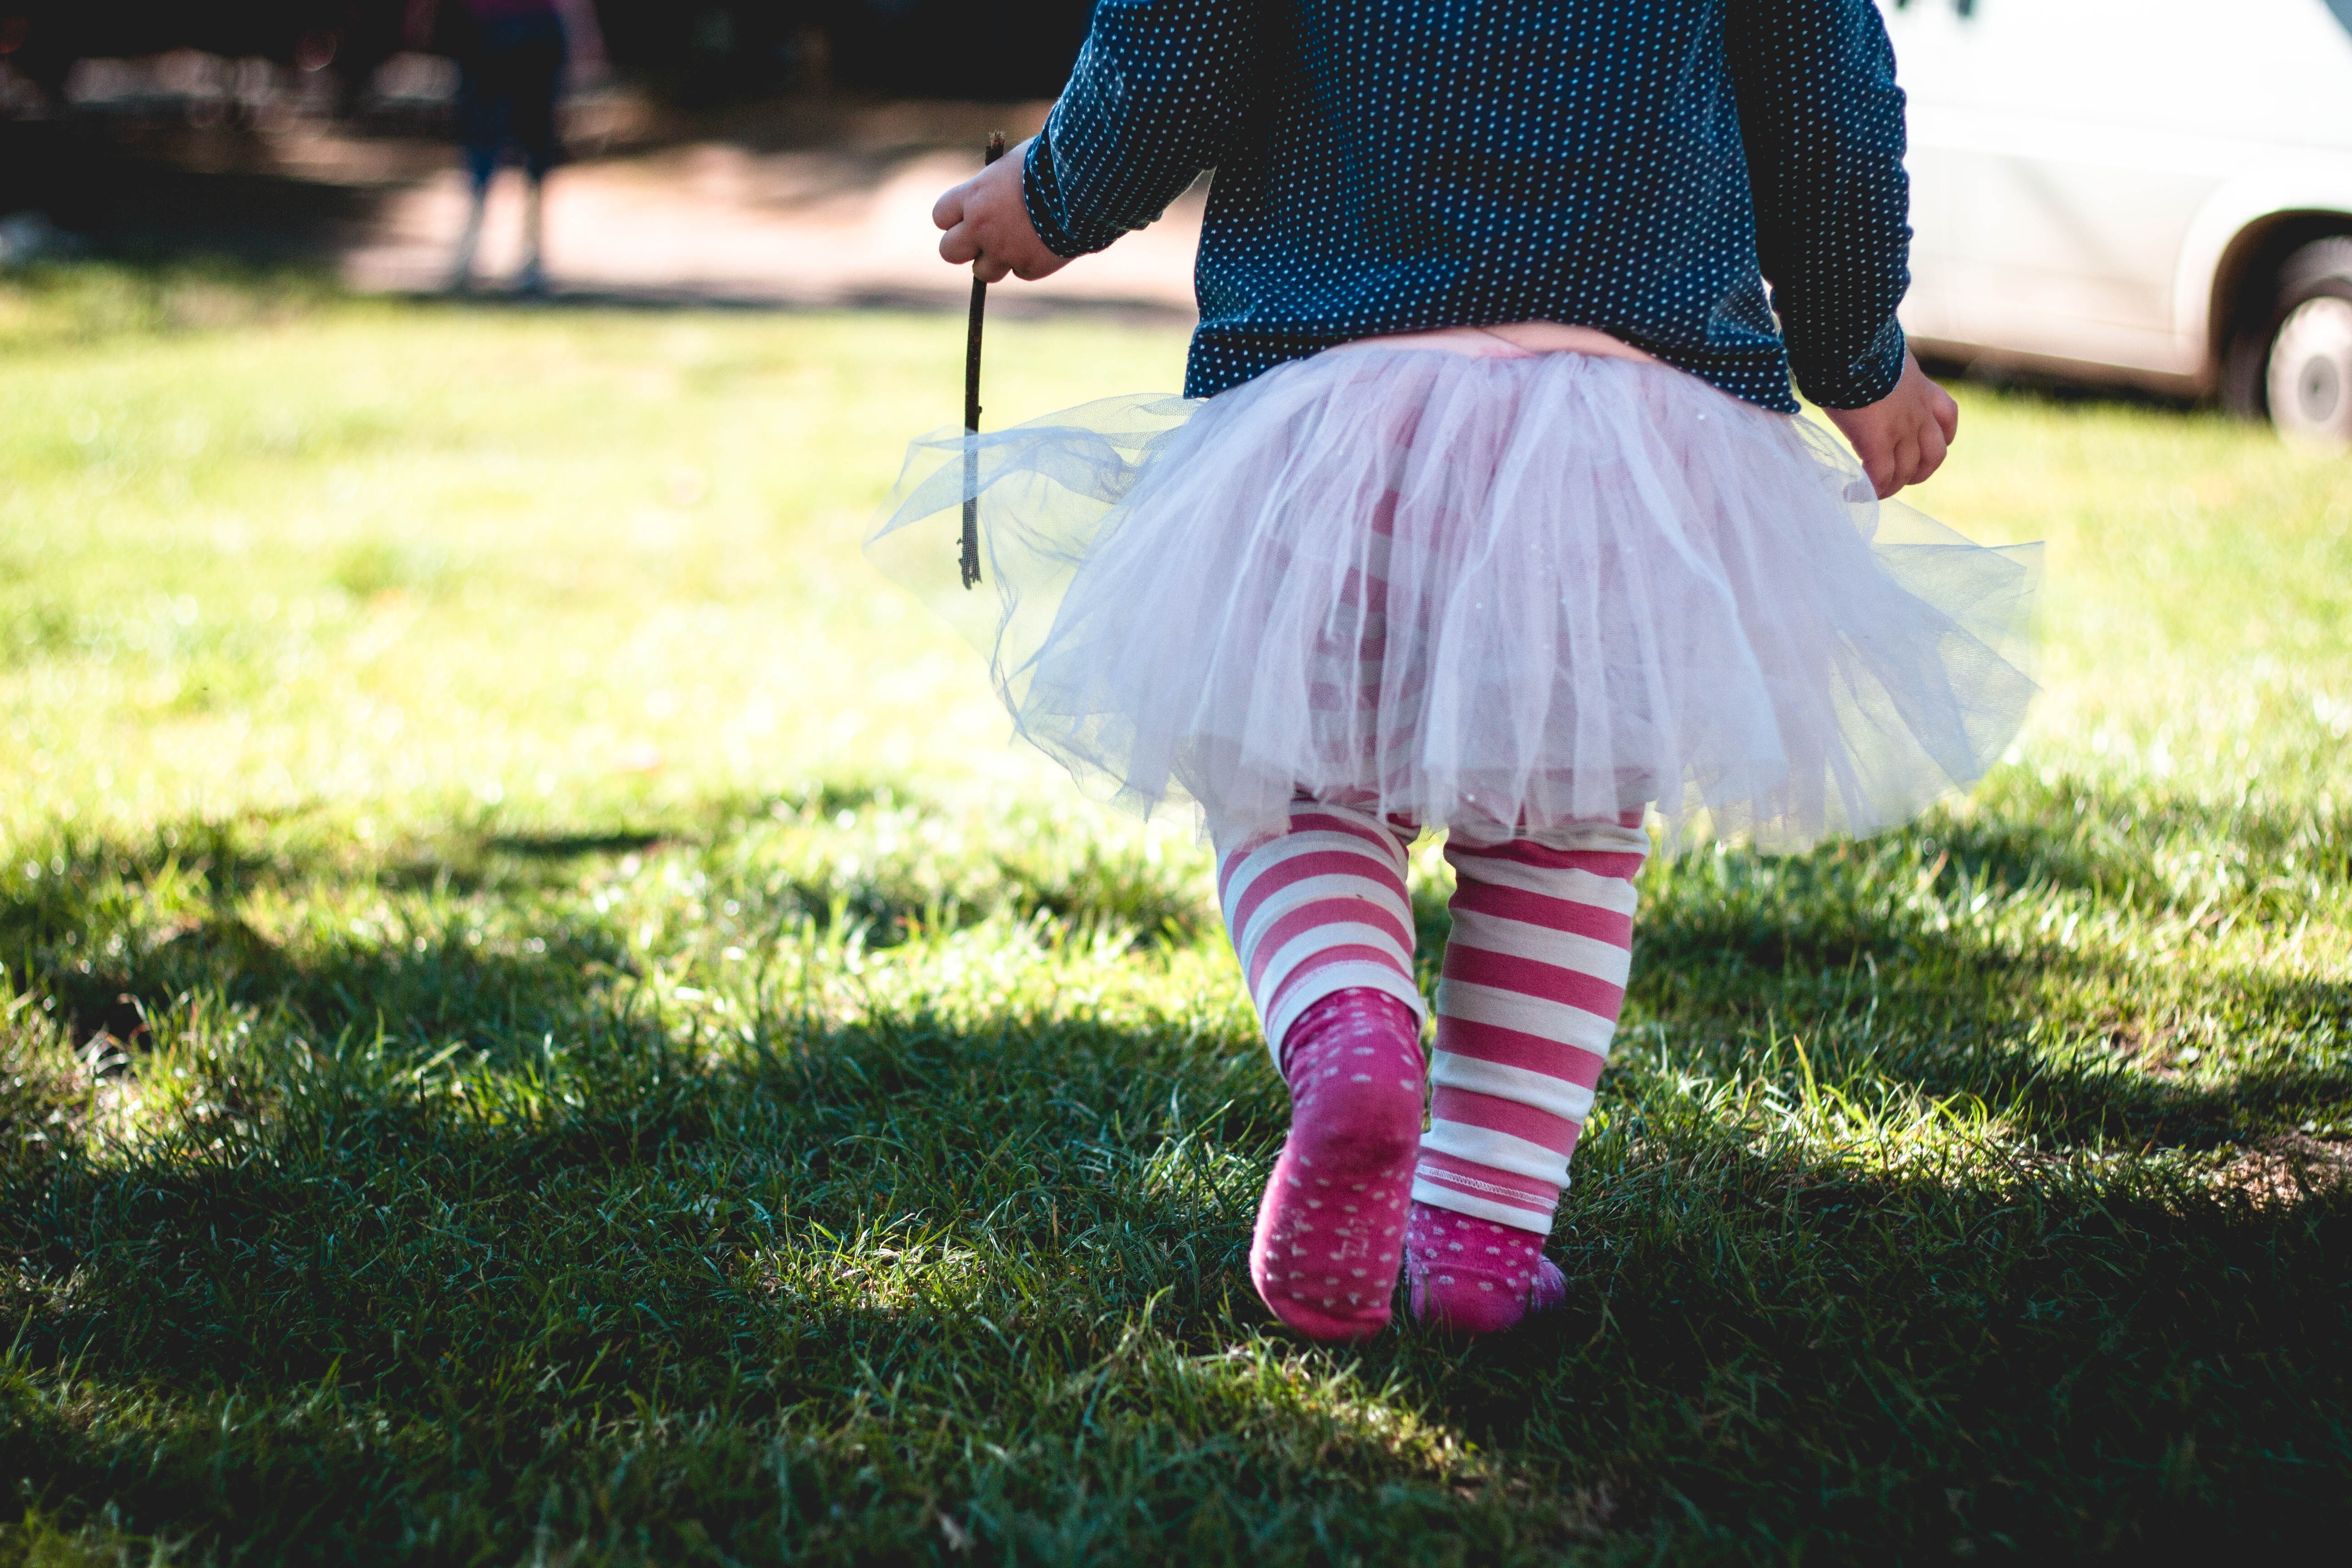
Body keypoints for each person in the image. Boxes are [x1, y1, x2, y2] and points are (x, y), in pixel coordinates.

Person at [872, 0, 2038, 1342]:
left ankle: (1353, 1030)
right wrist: (1859, 358)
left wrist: (1057, 191)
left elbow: (1180, 44)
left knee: (1298, 788)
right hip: (1627, 426)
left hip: (1336, 400)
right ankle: (1481, 1237)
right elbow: (1827, 110)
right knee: (1565, 832)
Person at [408, 0, 603, 294]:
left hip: (491, 31)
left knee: (483, 141)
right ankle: (530, 257)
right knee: (535, 143)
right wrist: (586, 38)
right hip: (534, 31)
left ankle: (470, 255)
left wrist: (421, 17)